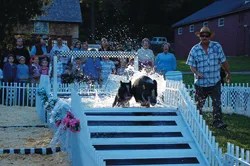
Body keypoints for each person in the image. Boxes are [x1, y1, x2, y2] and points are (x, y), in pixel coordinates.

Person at [186, 26, 231, 129]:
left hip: (215, 81)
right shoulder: (195, 49)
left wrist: (228, 73)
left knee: (217, 103)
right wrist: (197, 72)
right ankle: (197, 121)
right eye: (202, 35)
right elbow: (191, 65)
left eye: (207, 35)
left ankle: (217, 122)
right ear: (199, 36)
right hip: (201, 83)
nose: (205, 37)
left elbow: (223, 61)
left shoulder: (217, 46)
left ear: (210, 36)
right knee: (198, 104)